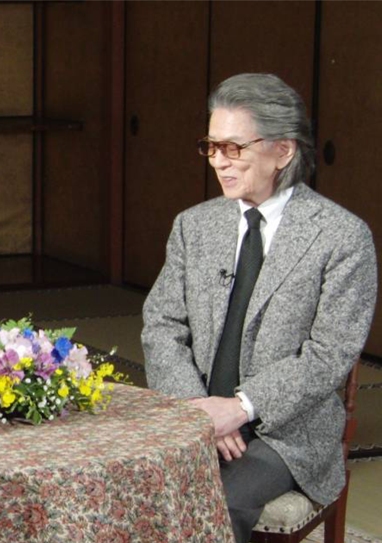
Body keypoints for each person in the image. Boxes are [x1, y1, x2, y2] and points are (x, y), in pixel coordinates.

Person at [141, 73, 377, 543]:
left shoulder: (341, 238)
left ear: (283, 151)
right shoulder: (194, 226)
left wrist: (241, 408)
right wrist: (200, 410)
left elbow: (328, 355)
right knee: (129, 484)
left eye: (234, 149)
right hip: (195, 411)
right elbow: (161, 324)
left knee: (215, 499)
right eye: (211, 147)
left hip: (287, 431)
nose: (219, 163)